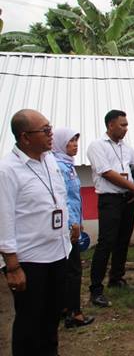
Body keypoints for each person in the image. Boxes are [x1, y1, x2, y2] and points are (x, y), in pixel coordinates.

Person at [0, 109, 71, 355]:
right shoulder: (7, 170)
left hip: (58, 253)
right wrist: (12, 267)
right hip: (30, 261)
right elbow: (4, 220)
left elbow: (58, 198)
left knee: (51, 319)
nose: (51, 134)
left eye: (50, 128)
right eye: (45, 130)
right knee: (30, 323)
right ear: (25, 137)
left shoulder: (49, 160)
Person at [86, 109, 134, 307]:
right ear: (111, 125)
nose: (126, 128)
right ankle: (95, 289)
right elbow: (106, 173)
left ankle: (116, 278)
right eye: (123, 124)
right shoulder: (97, 146)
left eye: (127, 124)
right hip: (110, 200)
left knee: (123, 239)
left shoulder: (126, 148)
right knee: (106, 242)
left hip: (128, 199)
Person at [52, 128, 95, 328]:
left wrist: (81, 219)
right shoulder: (57, 167)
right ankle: (74, 314)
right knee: (73, 270)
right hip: (68, 228)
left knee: (67, 269)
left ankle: (63, 307)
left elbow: (75, 198)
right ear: (60, 143)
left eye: (76, 140)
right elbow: (61, 199)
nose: (75, 144)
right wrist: (72, 224)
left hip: (74, 223)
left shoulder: (68, 165)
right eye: (70, 141)